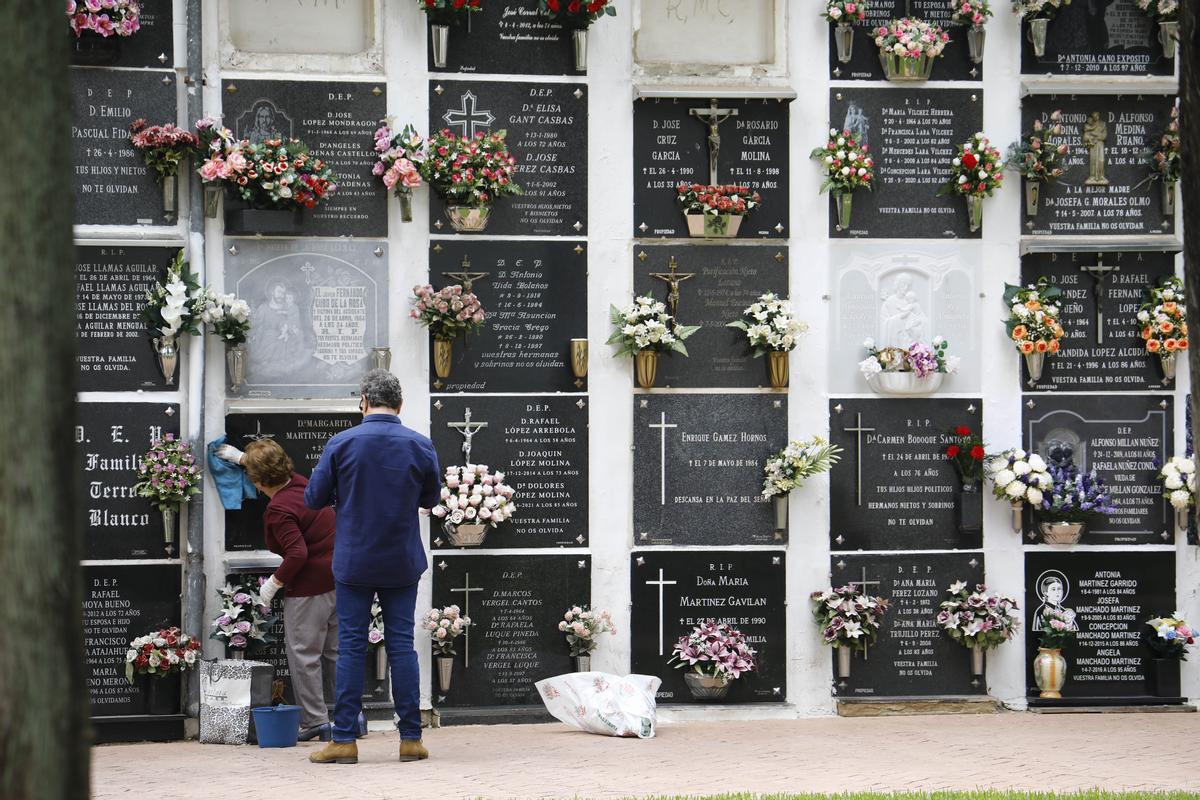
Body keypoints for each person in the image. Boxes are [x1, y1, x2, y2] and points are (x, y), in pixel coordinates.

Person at [305, 369, 442, 765]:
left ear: (363, 400)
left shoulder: (341, 443)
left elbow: (313, 499)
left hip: (355, 560)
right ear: (400, 404)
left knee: (350, 645)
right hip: (401, 559)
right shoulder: (420, 444)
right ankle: (411, 738)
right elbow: (431, 499)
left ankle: (344, 740)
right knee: (401, 644)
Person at [215, 438, 343, 742]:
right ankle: (351, 716)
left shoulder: (279, 509)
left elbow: (297, 553)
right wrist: (243, 458)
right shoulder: (302, 484)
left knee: (304, 654)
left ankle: (315, 721)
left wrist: (273, 584)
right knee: (336, 653)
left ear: (258, 482)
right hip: (338, 580)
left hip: (309, 588)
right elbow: (271, 469)